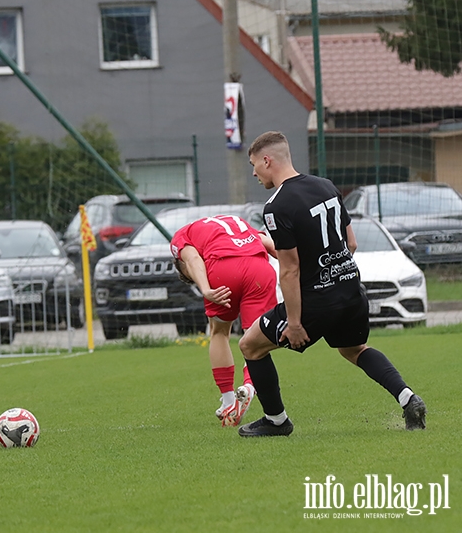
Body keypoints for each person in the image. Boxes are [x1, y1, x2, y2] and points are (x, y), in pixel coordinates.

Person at [237, 130, 426, 437]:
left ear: (267, 160)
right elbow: (349, 242)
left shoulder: (276, 206)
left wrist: (295, 322)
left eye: (254, 165)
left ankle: (276, 421)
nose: (254, 172)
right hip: (350, 289)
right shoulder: (325, 186)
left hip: (315, 301)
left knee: (250, 345)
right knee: (354, 349)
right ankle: (408, 398)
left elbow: (290, 270)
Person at [170, 214, 278, 427]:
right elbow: (271, 245)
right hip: (259, 269)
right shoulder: (235, 223)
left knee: (219, 332)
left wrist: (205, 288)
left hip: (222, 271)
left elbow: (193, 259)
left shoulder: (181, 238)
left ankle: (228, 398)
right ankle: (249, 386)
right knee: (255, 336)